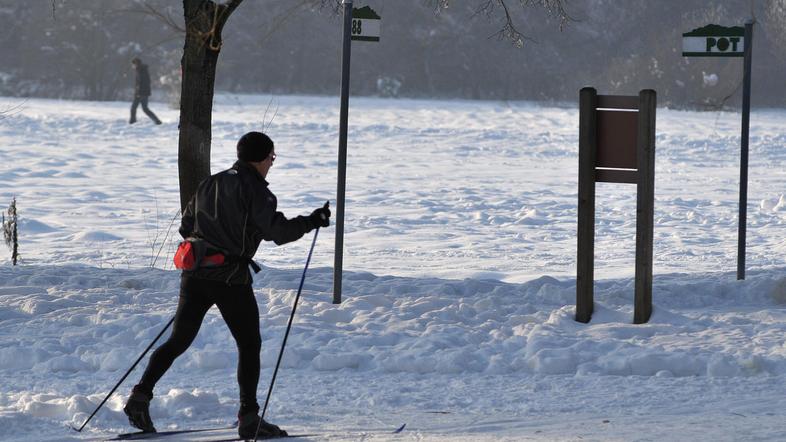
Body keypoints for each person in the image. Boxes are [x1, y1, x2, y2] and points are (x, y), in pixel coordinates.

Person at [123, 131, 331, 439]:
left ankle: (139, 397)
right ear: (262, 158)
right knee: (249, 344)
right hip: (230, 279)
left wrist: (209, 244)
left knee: (178, 341)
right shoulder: (257, 191)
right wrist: (312, 221)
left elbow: (186, 226)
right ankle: (249, 417)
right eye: (272, 158)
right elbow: (277, 231)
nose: (272, 164)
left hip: (194, 275)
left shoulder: (211, 183)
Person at [129, 57, 162, 125]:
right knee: (135, 108)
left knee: (143, 109)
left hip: (142, 93)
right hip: (140, 93)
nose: (132, 66)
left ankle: (157, 121)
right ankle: (132, 122)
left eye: (133, 64)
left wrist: (139, 93)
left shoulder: (142, 70)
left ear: (136, 64)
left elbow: (143, 83)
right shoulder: (140, 70)